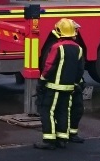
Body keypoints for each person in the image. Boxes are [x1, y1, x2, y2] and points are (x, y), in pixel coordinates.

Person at [34, 18, 84, 150]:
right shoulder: (79, 49)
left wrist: (42, 80)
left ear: (59, 31)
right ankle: (62, 139)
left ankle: (49, 140)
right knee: (64, 112)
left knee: (47, 111)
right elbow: (80, 70)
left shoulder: (57, 47)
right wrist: (76, 84)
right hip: (69, 88)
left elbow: (49, 66)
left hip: (53, 87)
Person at [67, 20, 87, 143]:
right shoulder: (74, 48)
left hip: (72, 85)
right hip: (67, 86)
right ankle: (66, 135)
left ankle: (71, 134)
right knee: (70, 110)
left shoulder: (76, 48)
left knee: (75, 109)